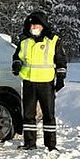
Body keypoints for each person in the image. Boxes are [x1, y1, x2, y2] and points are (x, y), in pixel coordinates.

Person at [11, 10, 67, 151]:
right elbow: (17, 57)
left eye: (37, 25)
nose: (34, 28)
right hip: (29, 82)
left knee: (49, 115)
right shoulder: (24, 41)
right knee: (28, 115)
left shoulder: (53, 40)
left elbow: (61, 60)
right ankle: (29, 143)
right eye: (32, 25)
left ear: (43, 25)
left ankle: (51, 145)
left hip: (46, 83)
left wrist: (60, 77)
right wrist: (16, 64)